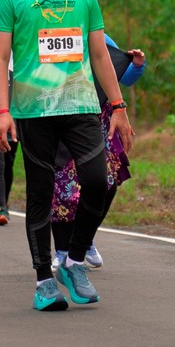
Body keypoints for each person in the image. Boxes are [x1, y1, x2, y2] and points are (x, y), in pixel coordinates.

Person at [0, 0, 134, 311]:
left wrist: (118, 106)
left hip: (81, 106)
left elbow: (100, 54)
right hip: (33, 111)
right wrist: (2, 111)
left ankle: (74, 260)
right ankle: (43, 281)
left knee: (97, 182)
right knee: (40, 193)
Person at [51, 37, 145, 270]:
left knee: (106, 183)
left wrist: (136, 65)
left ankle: (84, 239)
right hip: (61, 115)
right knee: (62, 187)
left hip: (99, 121)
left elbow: (121, 75)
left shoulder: (99, 36)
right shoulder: (50, 32)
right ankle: (62, 251)